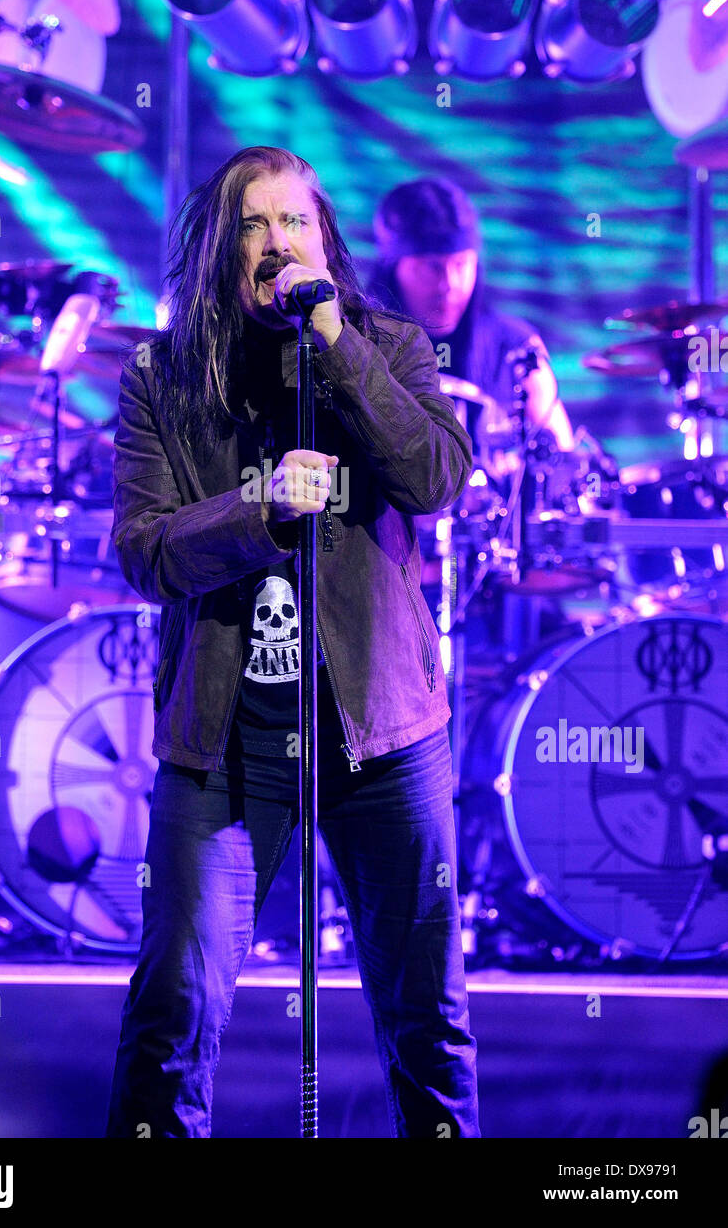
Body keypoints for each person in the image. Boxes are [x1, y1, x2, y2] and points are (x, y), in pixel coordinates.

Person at [105, 145, 479, 1139]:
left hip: (382, 736)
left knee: (425, 1016)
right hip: (224, 744)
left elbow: (437, 480)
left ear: (325, 240)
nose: (278, 241)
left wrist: (339, 349)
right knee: (174, 1007)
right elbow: (142, 554)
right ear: (219, 244)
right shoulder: (163, 375)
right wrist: (252, 509)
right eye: (254, 223)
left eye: (295, 221)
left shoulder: (385, 343)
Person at [370, 175, 575, 461]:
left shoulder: (517, 348)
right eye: (432, 267)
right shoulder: (359, 345)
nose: (450, 284)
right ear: (392, 266)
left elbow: (564, 462)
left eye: (461, 264)